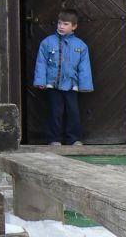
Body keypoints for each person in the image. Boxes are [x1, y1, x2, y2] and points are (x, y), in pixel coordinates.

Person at [33, 9, 93, 146]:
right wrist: (40, 81)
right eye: (59, 23)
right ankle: (54, 139)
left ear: (74, 26)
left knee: (73, 113)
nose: (61, 26)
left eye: (65, 24)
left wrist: (85, 85)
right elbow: (41, 63)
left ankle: (73, 138)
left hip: (71, 85)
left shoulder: (80, 46)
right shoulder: (47, 43)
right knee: (55, 112)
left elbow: (84, 67)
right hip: (53, 84)